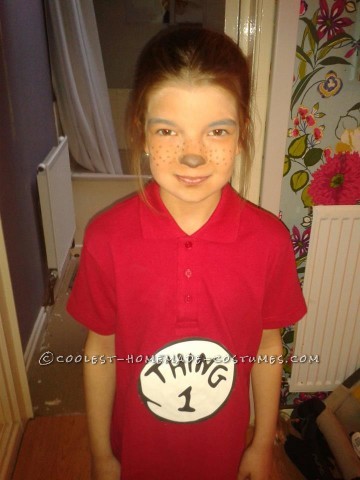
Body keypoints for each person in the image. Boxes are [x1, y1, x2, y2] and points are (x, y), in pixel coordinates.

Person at [67, 26, 307, 480]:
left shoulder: (269, 241)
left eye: (216, 130)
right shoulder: (106, 238)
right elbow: (99, 350)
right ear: (140, 130)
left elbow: (269, 347)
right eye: (168, 130)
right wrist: (101, 455)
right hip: (136, 454)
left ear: (241, 135)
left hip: (224, 455)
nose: (191, 155)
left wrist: (261, 443)